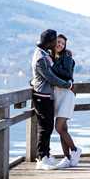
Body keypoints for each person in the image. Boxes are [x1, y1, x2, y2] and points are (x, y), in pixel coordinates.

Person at [31, 29, 72, 170]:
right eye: (55, 40)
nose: (56, 43)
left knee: (48, 127)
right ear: (49, 42)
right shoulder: (40, 58)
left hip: (47, 96)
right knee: (44, 128)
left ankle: (46, 155)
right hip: (42, 97)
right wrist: (67, 84)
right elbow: (50, 77)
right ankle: (41, 158)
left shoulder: (44, 54)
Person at [51, 34, 82, 168]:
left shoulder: (67, 57)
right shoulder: (51, 57)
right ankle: (67, 158)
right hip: (57, 95)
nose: (60, 45)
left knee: (58, 127)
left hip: (67, 95)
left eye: (63, 44)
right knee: (63, 128)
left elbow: (67, 74)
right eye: (58, 42)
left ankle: (75, 150)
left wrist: (51, 67)